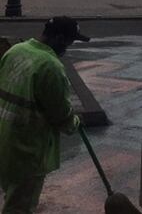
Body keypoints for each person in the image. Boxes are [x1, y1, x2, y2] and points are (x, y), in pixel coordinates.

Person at [0, 17, 89, 213]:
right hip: (27, 150)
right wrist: (75, 122)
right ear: (58, 38)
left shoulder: (16, 50)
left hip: (4, 141)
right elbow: (61, 116)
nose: (68, 47)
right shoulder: (50, 67)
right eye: (69, 42)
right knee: (20, 207)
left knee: (11, 193)